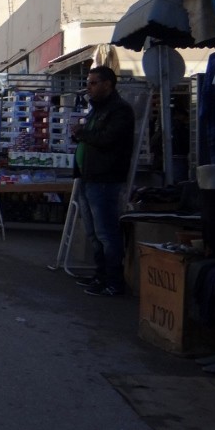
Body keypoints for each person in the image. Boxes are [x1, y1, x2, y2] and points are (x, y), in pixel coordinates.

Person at [72, 65, 135, 297]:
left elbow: (108, 139)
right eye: (88, 83)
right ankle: (100, 275)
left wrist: (82, 133)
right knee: (93, 232)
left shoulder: (119, 110)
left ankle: (114, 281)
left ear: (108, 84)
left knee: (106, 232)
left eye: (93, 83)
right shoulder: (96, 110)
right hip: (88, 178)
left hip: (105, 179)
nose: (89, 87)